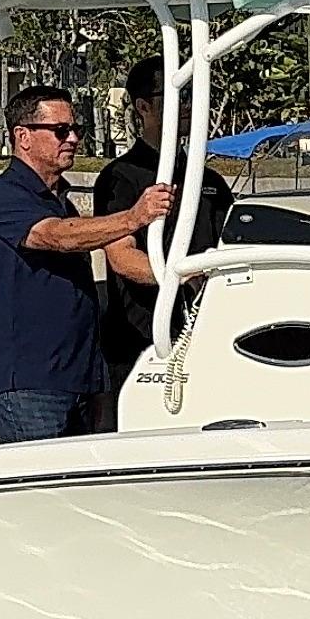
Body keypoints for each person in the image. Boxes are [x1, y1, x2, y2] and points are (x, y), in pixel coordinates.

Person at [0, 86, 172, 443]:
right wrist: (134, 217)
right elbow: (56, 236)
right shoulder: (2, 195)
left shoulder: (61, 201)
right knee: (40, 476)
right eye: (61, 131)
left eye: (77, 129)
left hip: (77, 379)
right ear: (23, 136)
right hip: (27, 384)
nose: (73, 139)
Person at [90, 56, 234, 395]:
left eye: (191, 95)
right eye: (176, 96)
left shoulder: (209, 180)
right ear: (143, 107)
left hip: (206, 333)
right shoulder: (119, 178)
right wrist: (182, 275)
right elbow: (122, 257)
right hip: (142, 340)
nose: (187, 105)